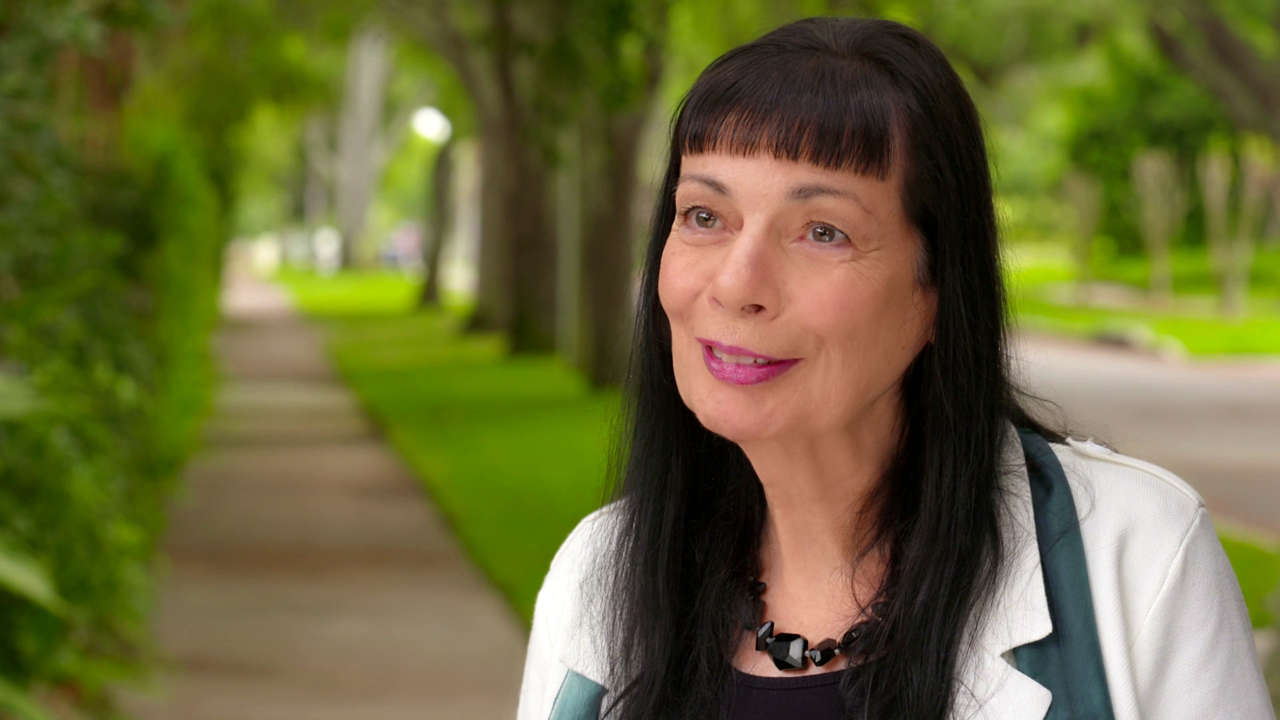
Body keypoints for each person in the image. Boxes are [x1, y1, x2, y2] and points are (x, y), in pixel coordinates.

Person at [516, 16, 1274, 720]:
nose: (737, 284)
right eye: (705, 216)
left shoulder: (1134, 553)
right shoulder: (597, 573)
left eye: (823, 231)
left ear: (938, 291)